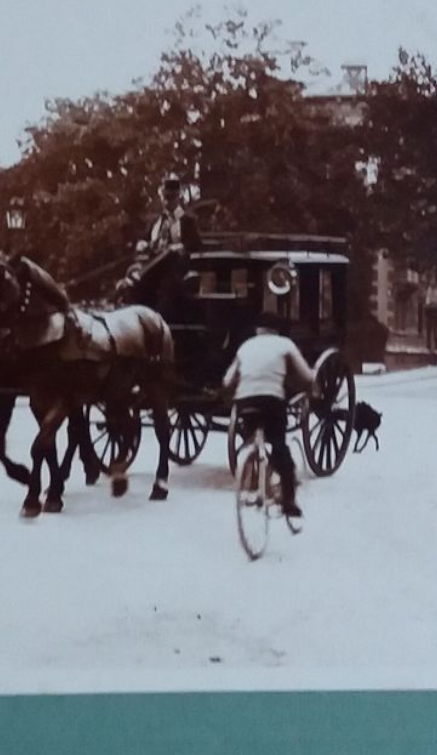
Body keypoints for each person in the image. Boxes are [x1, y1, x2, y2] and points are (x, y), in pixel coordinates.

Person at [221, 311, 318, 523]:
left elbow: (227, 380)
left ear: (258, 330)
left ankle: (252, 466)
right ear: (277, 329)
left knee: (252, 437)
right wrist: (310, 383)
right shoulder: (285, 344)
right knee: (279, 446)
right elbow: (307, 376)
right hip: (272, 401)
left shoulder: (245, 347)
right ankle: (289, 501)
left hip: (245, 402)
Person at [118, 175, 199, 320]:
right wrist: (142, 242)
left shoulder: (187, 220)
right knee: (138, 273)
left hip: (176, 266)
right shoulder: (157, 221)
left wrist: (181, 246)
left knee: (169, 254)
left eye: (171, 197)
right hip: (154, 264)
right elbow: (146, 238)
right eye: (165, 197)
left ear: (178, 198)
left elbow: (196, 243)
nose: (168, 201)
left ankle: (139, 277)